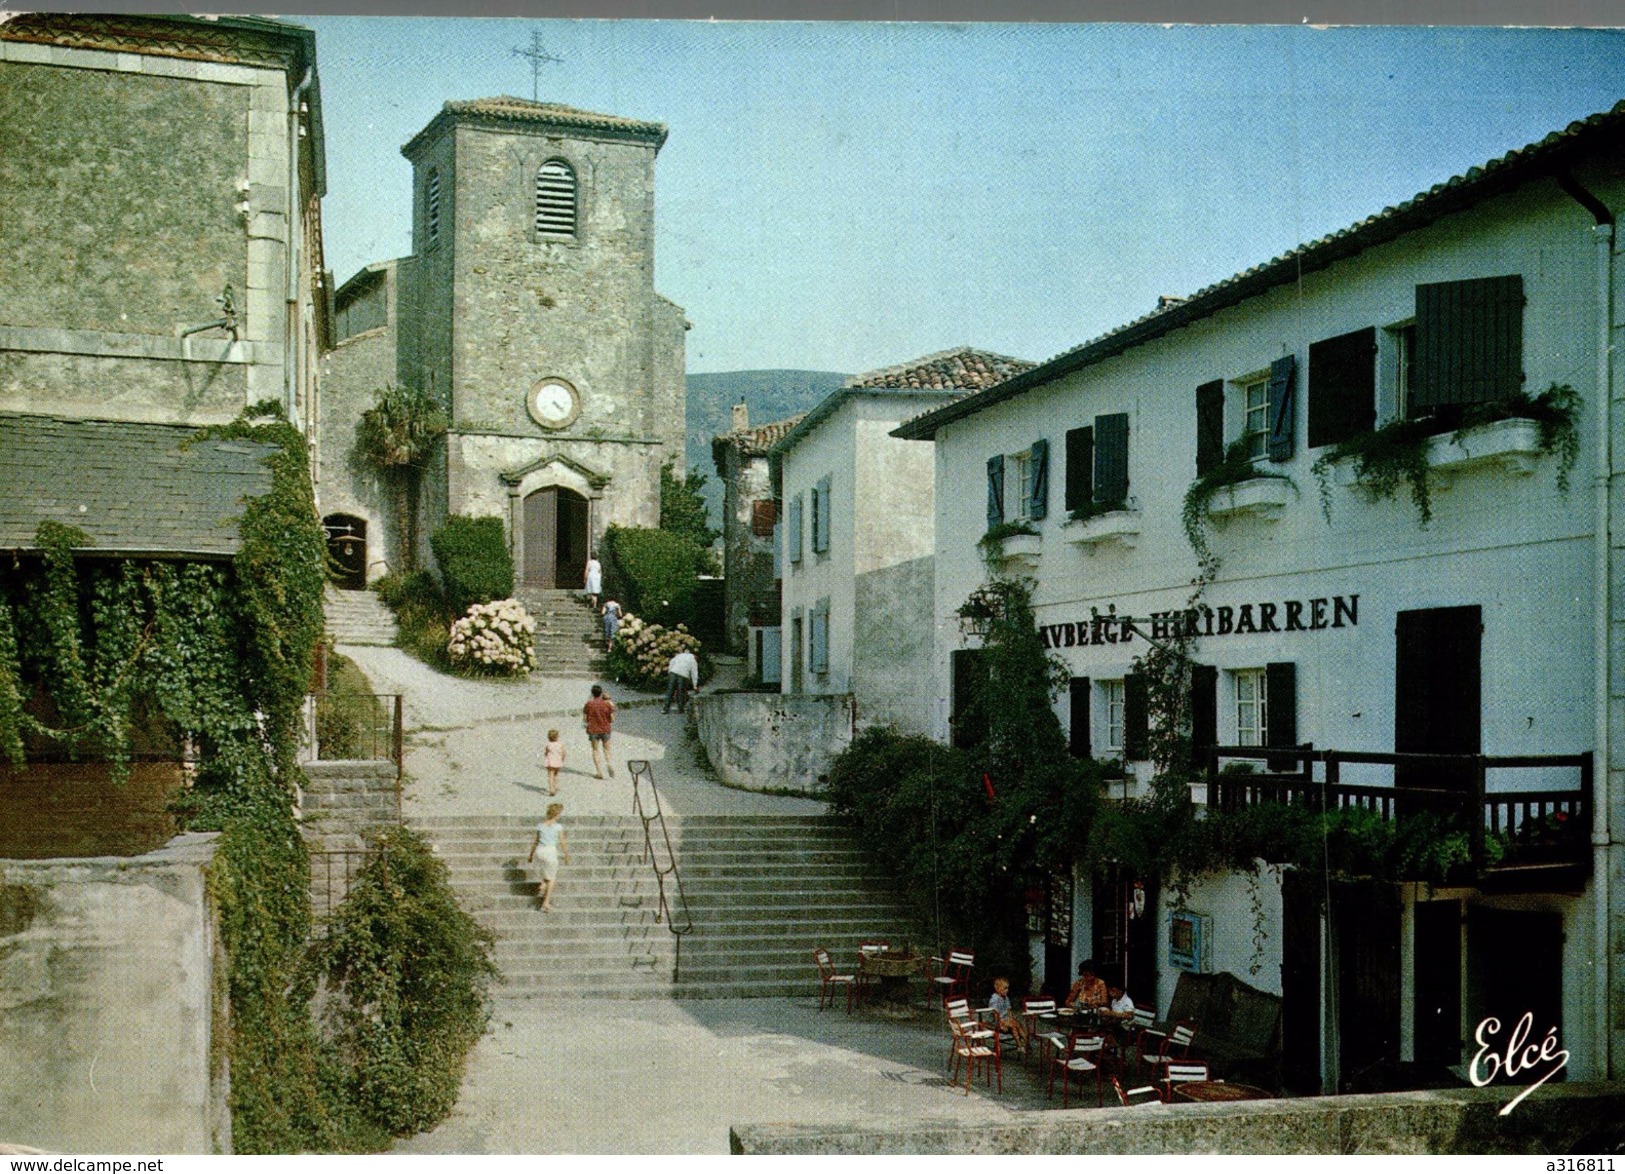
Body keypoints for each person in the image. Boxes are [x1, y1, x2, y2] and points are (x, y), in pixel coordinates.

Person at [527, 802, 570, 912]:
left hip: (539, 851)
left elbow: (535, 841)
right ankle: (545, 903)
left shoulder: (540, 826)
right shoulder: (558, 827)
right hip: (550, 851)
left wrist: (531, 855)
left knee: (545, 872)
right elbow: (562, 842)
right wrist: (566, 854)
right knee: (552, 878)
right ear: (557, 815)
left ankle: (543, 884)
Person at [582, 683, 616, 779]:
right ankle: (609, 763)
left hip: (593, 730)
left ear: (592, 694)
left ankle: (599, 772)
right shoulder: (607, 704)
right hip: (605, 729)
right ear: (601, 693)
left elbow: (585, 719)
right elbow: (612, 719)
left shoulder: (589, 704)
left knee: (595, 750)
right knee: (606, 749)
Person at [986, 976, 1028, 1049]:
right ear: (997, 988)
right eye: (1005, 988)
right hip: (996, 1021)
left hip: (1005, 1019)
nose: (1007, 990)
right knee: (1013, 1026)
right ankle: (1019, 1044)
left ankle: (1026, 1042)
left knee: (1018, 1024)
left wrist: (1011, 1018)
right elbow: (995, 1014)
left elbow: (1008, 1010)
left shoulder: (1006, 997)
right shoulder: (995, 999)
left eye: (1007, 988)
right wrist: (1001, 1024)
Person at [663, 647, 700, 714]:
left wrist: (670, 671)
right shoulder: (693, 661)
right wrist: (695, 686)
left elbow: (671, 662)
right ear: (695, 656)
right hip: (683, 675)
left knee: (670, 691)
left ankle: (665, 709)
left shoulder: (680, 655)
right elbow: (694, 674)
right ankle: (680, 709)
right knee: (681, 692)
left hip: (673, 672)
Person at [543, 728, 565, 796]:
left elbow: (546, 753)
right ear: (557, 737)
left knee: (550, 775)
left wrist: (546, 756)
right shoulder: (560, 745)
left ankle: (551, 789)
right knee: (556, 775)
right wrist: (562, 759)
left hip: (550, 762)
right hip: (558, 761)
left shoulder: (548, 745)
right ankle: (555, 786)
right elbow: (563, 753)